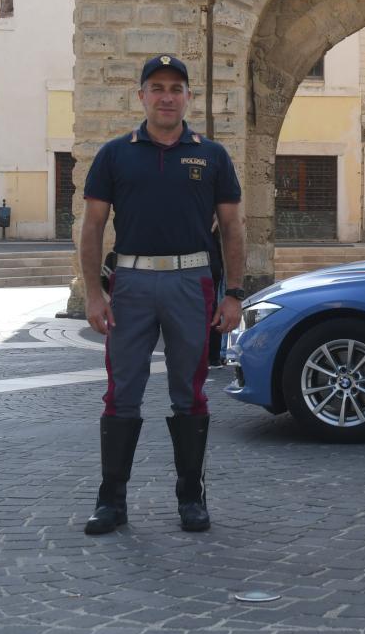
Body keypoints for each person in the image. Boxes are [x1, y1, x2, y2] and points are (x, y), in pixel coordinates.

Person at [79, 54, 245, 535]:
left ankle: (191, 497)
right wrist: (94, 293)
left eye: (176, 88)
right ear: (141, 96)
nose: (167, 96)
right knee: (122, 391)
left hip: (191, 282)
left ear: (188, 97)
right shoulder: (115, 154)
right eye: (157, 87)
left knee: (188, 392)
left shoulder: (211, 156)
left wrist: (233, 293)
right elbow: (92, 227)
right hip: (130, 283)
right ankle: (111, 501)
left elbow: (233, 228)